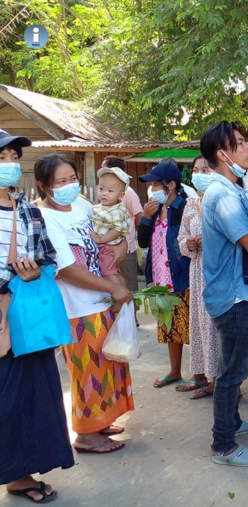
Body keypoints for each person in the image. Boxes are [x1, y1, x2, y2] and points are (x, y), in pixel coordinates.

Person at [35, 153, 134, 454]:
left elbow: (109, 230)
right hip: (77, 309)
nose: (69, 186)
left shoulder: (81, 205)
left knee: (108, 365)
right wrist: (113, 287)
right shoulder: (45, 217)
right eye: (60, 182)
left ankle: (101, 423)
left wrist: (120, 246)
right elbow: (67, 269)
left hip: (101, 302)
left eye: (72, 179)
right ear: (44, 186)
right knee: (88, 370)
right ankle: (86, 435)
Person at [0, 131, 74, 503]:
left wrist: (34, 271)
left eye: (14, 157)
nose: (10, 164)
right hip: (2, 322)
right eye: (2, 157)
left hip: (27, 320)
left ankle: (20, 475)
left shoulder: (28, 211)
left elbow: (48, 257)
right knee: (5, 398)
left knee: (33, 397)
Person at [199, 120, 248, 467]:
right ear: (222, 154)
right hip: (233, 296)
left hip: (239, 292)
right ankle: (223, 446)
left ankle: (232, 423)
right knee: (232, 371)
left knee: (232, 365)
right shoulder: (222, 196)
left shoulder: (232, 190)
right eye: (241, 142)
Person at [137, 160, 195, 391]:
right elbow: (143, 242)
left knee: (190, 326)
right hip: (161, 278)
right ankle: (174, 371)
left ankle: (199, 375)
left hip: (181, 276)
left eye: (155, 185)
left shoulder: (184, 207)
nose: (152, 190)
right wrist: (145, 217)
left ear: (170, 185)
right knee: (170, 327)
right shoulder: (153, 210)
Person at [177, 155, 219, 399]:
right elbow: (181, 237)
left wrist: (210, 242)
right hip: (197, 271)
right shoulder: (191, 204)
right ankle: (202, 375)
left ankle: (221, 381)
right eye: (196, 170)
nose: (199, 174)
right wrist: (188, 244)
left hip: (218, 272)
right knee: (200, 325)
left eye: (205, 170)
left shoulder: (223, 201)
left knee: (216, 326)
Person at [100, 157, 143, 297]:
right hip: (107, 249)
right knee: (113, 287)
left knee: (129, 287)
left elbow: (139, 216)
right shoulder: (105, 192)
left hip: (126, 250)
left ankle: (132, 311)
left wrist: (128, 234)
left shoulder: (128, 193)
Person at [90, 166, 132, 286]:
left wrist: (102, 239)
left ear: (121, 195)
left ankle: (119, 290)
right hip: (102, 245)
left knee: (108, 271)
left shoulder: (117, 211)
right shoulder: (99, 207)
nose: (104, 193)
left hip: (108, 247)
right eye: (101, 189)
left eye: (110, 191)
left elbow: (118, 229)